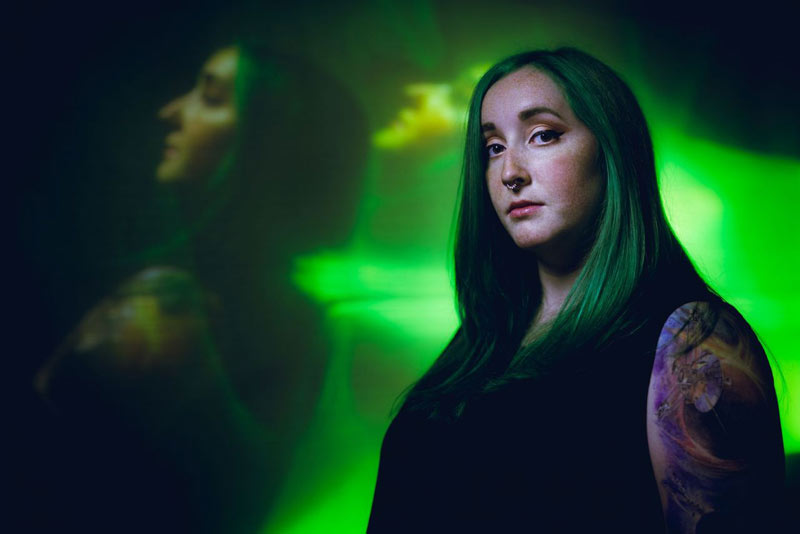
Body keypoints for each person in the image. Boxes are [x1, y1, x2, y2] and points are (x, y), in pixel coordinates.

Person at [367, 47, 785, 533]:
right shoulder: (484, 338)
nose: (509, 173)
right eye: (493, 148)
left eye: (543, 135)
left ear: (612, 150)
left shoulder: (691, 341)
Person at [32, 38, 366, 534]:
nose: (171, 112)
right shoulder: (304, 319)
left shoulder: (167, 308)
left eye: (210, 98)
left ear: (269, 143)